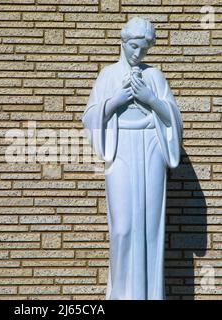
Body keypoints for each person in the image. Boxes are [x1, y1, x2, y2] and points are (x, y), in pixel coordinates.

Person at [82, 17, 183, 300]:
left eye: (145, 49)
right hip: (121, 147)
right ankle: (123, 295)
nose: (139, 54)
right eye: (135, 47)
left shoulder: (154, 76)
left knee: (150, 224)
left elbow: (175, 121)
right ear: (123, 42)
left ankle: (151, 295)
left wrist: (152, 100)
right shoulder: (108, 75)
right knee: (124, 226)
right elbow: (89, 117)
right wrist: (115, 102)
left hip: (151, 147)